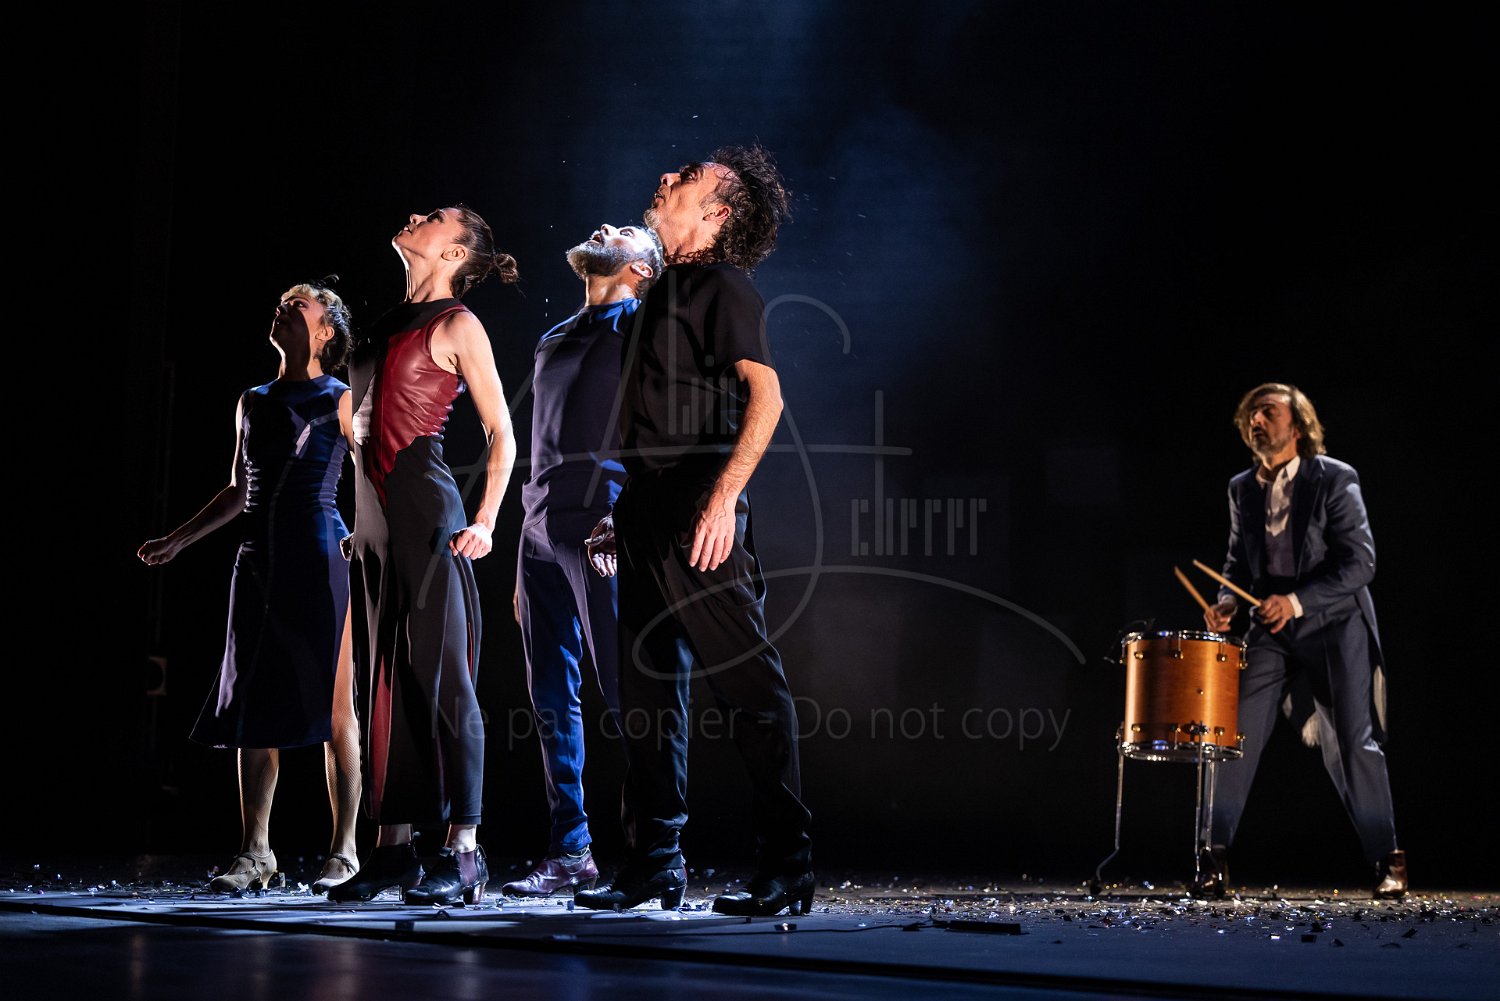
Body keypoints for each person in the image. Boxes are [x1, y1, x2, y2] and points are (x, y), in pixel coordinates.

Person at [575, 146, 814, 917]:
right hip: (649, 506)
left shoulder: (722, 285)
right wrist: (621, 510)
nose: (666, 180)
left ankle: (788, 865)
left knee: (748, 687)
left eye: (687, 179)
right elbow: (656, 416)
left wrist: (722, 500)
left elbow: (767, 398)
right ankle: (654, 864)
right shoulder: (662, 290)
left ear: (716, 213)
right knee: (648, 696)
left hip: (698, 505)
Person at [137, 281, 363, 895]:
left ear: (325, 332)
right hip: (258, 560)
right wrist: (178, 540)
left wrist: (365, 536)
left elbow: (372, 477)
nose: (284, 308)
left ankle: (344, 849)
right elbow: (240, 489)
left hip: (321, 554)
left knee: (335, 704)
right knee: (254, 703)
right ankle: (255, 851)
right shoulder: (253, 400)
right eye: (282, 302)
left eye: (300, 305)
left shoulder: (342, 398)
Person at [329, 206, 518, 906]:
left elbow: (502, 432)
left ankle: (464, 851)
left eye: (433, 218)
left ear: (456, 252)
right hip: (374, 528)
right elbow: (358, 424)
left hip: (429, 518)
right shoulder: (381, 325)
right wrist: (360, 520)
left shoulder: (458, 324)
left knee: (442, 682)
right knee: (382, 685)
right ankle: (393, 850)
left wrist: (487, 519)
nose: (414, 217)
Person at [501, 224, 664, 898]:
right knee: (549, 696)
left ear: (642, 270)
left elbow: (659, 432)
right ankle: (571, 851)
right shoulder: (553, 338)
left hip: (602, 525)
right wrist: (527, 536)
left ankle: (655, 854)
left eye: (624, 232)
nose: (605, 229)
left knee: (627, 692)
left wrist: (622, 513)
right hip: (539, 529)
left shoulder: (643, 329)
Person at [1201, 383, 1406, 899]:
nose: (1256, 420)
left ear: (1297, 426)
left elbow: (1361, 562)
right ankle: (1212, 856)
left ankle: (1388, 858)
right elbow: (1237, 564)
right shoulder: (1241, 487)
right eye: (1251, 414)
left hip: (1333, 621)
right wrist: (1226, 603)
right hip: (1271, 629)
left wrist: (1295, 601)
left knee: (1352, 741)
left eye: (1267, 412)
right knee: (1232, 735)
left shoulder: (1334, 477)